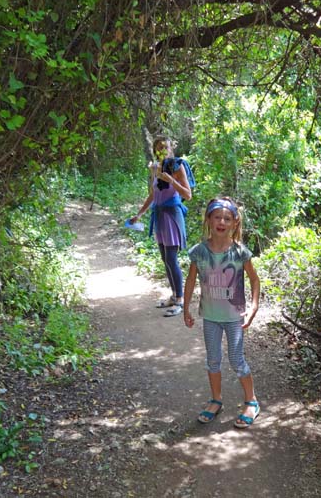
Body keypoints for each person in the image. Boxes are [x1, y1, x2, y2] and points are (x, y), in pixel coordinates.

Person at [183, 197, 261, 429]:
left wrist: (254, 307)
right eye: (217, 217)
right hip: (210, 317)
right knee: (213, 361)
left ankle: (251, 401)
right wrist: (186, 306)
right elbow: (190, 279)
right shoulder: (199, 252)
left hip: (234, 317)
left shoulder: (240, 252)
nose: (222, 222)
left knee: (237, 361)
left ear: (235, 223)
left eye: (227, 218)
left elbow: (254, 280)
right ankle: (216, 400)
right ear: (209, 219)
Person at [130, 136, 194, 317]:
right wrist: (140, 214)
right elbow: (153, 194)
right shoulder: (156, 168)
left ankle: (180, 300)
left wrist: (172, 180)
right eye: (159, 147)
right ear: (155, 150)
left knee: (172, 258)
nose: (163, 150)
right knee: (165, 259)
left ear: (171, 148)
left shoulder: (177, 166)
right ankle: (174, 296)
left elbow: (188, 195)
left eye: (165, 146)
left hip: (172, 215)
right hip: (159, 216)